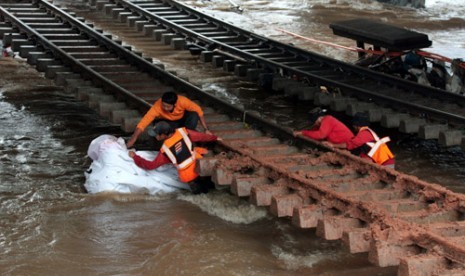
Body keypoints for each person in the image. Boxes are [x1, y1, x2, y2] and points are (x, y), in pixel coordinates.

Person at [128, 121, 219, 193]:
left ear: (163, 134)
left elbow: (151, 165)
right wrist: (215, 138)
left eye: (156, 134)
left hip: (191, 178)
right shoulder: (183, 131)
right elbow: (201, 137)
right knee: (213, 189)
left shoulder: (165, 150)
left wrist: (135, 157)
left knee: (202, 195)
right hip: (202, 168)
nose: (155, 136)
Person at [126, 91, 212, 148]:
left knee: (194, 115)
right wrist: (134, 138)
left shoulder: (183, 101)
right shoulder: (157, 106)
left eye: (168, 106)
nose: (165, 108)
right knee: (161, 126)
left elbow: (199, 112)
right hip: (168, 123)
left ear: (175, 104)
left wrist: (206, 129)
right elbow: (144, 122)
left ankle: (186, 137)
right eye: (164, 105)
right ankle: (161, 136)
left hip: (181, 121)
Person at [326, 112, 395, 169]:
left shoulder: (363, 134)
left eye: (354, 125)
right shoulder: (368, 132)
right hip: (386, 161)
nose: (353, 127)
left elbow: (350, 145)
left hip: (385, 163)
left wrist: (333, 145)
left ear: (357, 125)